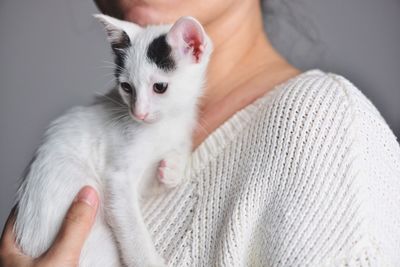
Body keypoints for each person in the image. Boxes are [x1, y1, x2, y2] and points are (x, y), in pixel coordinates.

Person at [1, 0, 400, 266]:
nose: (140, 108)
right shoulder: (103, 130)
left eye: (156, 89)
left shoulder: (326, 132)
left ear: (193, 47)